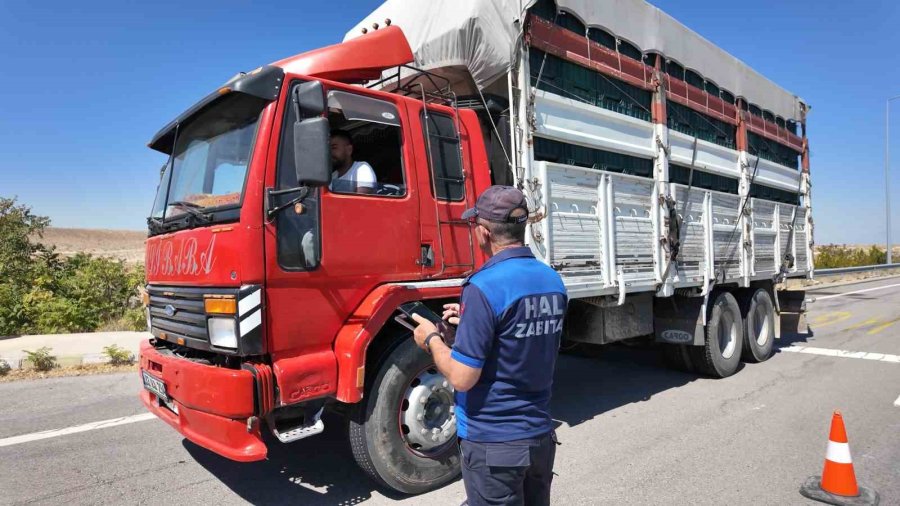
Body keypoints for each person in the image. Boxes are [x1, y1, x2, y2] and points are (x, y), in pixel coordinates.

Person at [411, 185, 568, 506]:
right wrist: (472, 322)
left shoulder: (484, 286)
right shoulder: (552, 280)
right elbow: (523, 337)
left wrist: (431, 339)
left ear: (483, 232)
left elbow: (462, 378)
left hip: (496, 443)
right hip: (539, 436)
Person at [329, 129, 377, 194]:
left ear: (349, 150)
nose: (330, 152)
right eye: (328, 149)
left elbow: (362, 201)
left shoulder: (361, 169)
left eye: (334, 148)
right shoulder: (332, 176)